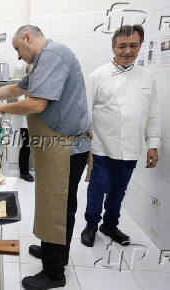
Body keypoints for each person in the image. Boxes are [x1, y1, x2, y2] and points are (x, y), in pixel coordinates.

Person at [0, 25, 90, 290]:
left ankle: (54, 273)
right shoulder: (43, 60)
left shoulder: (53, 54)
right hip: (57, 146)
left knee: (60, 206)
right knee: (51, 201)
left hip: (66, 148)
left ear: (28, 38)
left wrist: (1, 108)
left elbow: (36, 104)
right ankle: (51, 249)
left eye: (18, 49)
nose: (18, 56)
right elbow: (16, 88)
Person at [81, 25, 161, 247]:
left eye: (133, 46)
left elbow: (152, 114)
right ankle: (91, 225)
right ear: (113, 46)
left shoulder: (148, 77)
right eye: (122, 46)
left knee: (119, 190)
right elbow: (85, 112)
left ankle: (110, 224)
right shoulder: (98, 76)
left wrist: (153, 145)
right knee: (98, 187)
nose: (127, 51)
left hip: (131, 148)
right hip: (102, 147)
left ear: (140, 47)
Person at [19, 64, 35, 182]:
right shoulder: (22, 88)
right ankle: (24, 173)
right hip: (26, 124)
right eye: (30, 72)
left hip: (40, 124)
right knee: (26, 147)